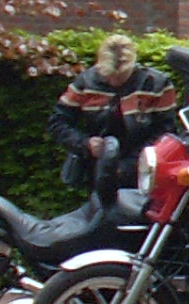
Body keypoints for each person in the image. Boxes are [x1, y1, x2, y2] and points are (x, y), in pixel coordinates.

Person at [50, 33, 178, 196]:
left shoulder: (157, 84)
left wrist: (133, 163)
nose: (115, 81)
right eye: (108, 76)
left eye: (122, 76)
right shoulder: (85, 82)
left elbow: (166, 132)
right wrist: (85, 143)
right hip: (98, 168)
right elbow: (58, 122)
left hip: (143, 170)